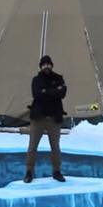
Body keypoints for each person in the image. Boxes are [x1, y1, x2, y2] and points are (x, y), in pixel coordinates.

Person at [24, 54, 66, 182]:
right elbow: (36, 94)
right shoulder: (36, 80)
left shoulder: (59, 78)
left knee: (55, 148)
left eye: (48, 64)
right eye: (44, 65)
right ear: (41, 66)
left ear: (51, 65)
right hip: (38, 118)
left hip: (54, 118)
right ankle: (29, 172)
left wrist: (45, 91)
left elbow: (62, 93)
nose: (46, 66)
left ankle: (57, 171)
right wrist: (54, 91)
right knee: (32, 147)